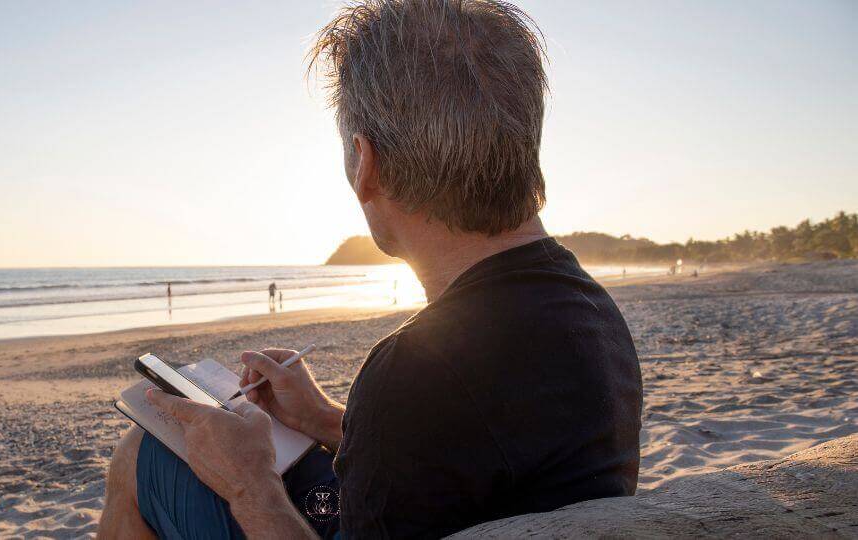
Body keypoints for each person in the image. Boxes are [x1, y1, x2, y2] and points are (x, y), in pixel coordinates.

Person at [98, 1, 642, 538]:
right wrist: (321, 418)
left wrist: (249, 482)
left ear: (366, 163)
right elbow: (476, 453)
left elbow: (445, 430)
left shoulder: (415, 375)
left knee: (141, 453)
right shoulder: (590, 310)